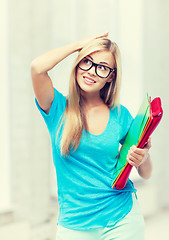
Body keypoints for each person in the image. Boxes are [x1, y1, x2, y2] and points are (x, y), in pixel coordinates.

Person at [31, 32, 152, 240]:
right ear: (78, 64)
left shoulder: (120, 115)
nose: (92, 71)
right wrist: (79, 45)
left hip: (121, 219)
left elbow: (146, 173)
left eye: (102, 67)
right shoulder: (57, 108)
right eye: (87, 61)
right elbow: (37, 67)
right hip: (74, 225)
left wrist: (144, 157)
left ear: (111, 76)